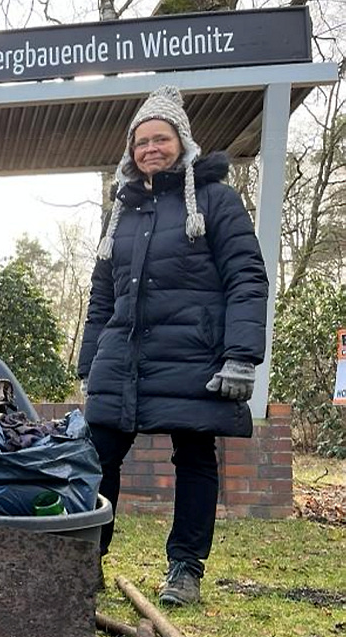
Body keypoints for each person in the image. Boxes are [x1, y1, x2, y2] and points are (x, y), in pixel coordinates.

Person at [77, 85, 268, 607]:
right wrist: (89, 362)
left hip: (194, 351)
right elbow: (101, 295)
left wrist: (241, 355)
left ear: (182, 143)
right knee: (96, 457)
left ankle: (185, 568)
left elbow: (247, 278)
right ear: (130, 152)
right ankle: (86, 560)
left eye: (160, 138)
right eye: (141, 142)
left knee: (194, 455)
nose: (150, 148)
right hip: (126, 355)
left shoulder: (216, 200)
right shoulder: (121, 211)